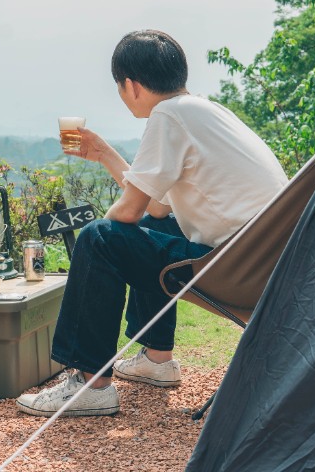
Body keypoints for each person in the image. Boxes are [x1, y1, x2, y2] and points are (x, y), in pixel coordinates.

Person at [17, 29, 288, 417]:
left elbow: (125, 215)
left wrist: (104, 240)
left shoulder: (168, 116)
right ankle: (156, 359)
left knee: (98, 237)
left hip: (239, 270)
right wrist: (107, 155)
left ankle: (90, 384)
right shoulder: (200, 111)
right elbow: (157, 209)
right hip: (266, 261)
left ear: (131, 85)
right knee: (151, 229)